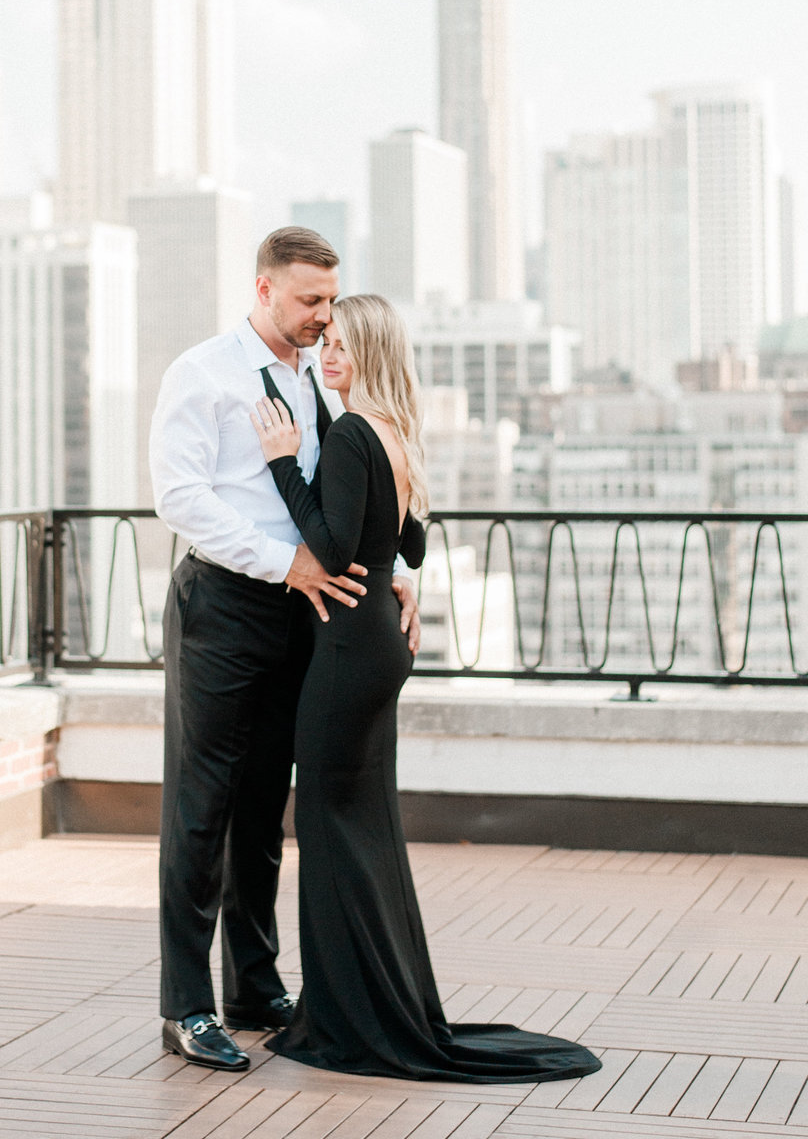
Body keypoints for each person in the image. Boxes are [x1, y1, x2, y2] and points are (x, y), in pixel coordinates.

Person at [250, 293, 602, 1082]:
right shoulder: (395, 435)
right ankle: (376, 1000)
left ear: (370, 354)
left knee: (330, 825)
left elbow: (334, 545)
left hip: (346, 651)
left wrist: (280, 461)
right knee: (365, 826)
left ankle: (351, 1016)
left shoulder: (346, 434)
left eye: (341, 346)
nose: (327, 356)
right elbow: (404, 541)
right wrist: (395, 584)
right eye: (326, 343)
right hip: (380, 641)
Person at [150, 229, 423, 1072]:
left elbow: (361, 499)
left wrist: (394, 576)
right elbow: (179, 497)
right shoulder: (203, 373)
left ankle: (255, 986)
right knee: (203, 808)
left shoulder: (324, 382)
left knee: (266, 806)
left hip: (305, 617)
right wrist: (286, 564)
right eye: (309, 301)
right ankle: (187, 1007)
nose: (322, 317)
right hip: (225, 609)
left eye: (330, 302)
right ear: (264, 289)